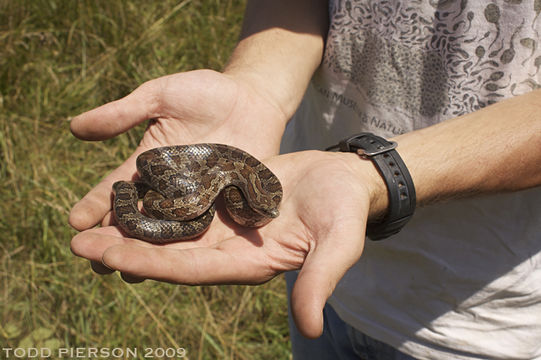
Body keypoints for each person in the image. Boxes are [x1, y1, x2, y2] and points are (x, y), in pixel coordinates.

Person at [69, 1, 541, 359]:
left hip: (488, 321)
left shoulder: (242, 194)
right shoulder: (233, 187)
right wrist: (258, 88)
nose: (253, 212)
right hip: (315, 253)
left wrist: (374, 178)